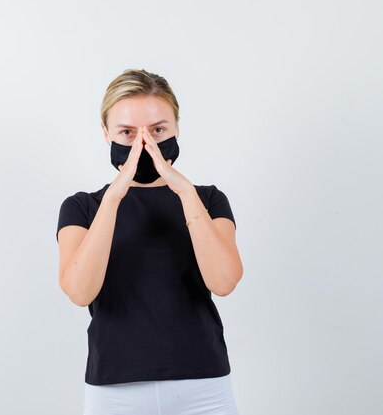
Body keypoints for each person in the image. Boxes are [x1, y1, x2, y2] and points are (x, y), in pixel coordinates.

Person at [55, 69, 243, 415]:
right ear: (105, 134)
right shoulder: (83, 207)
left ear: (177, 128)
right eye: (127, 133)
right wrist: (114, 198)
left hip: (203, 387)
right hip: (115, 390)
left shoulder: (209, 200)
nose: (145, 145)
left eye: (158, 130)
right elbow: (80, 292)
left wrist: (184, 191)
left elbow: (224, 281)